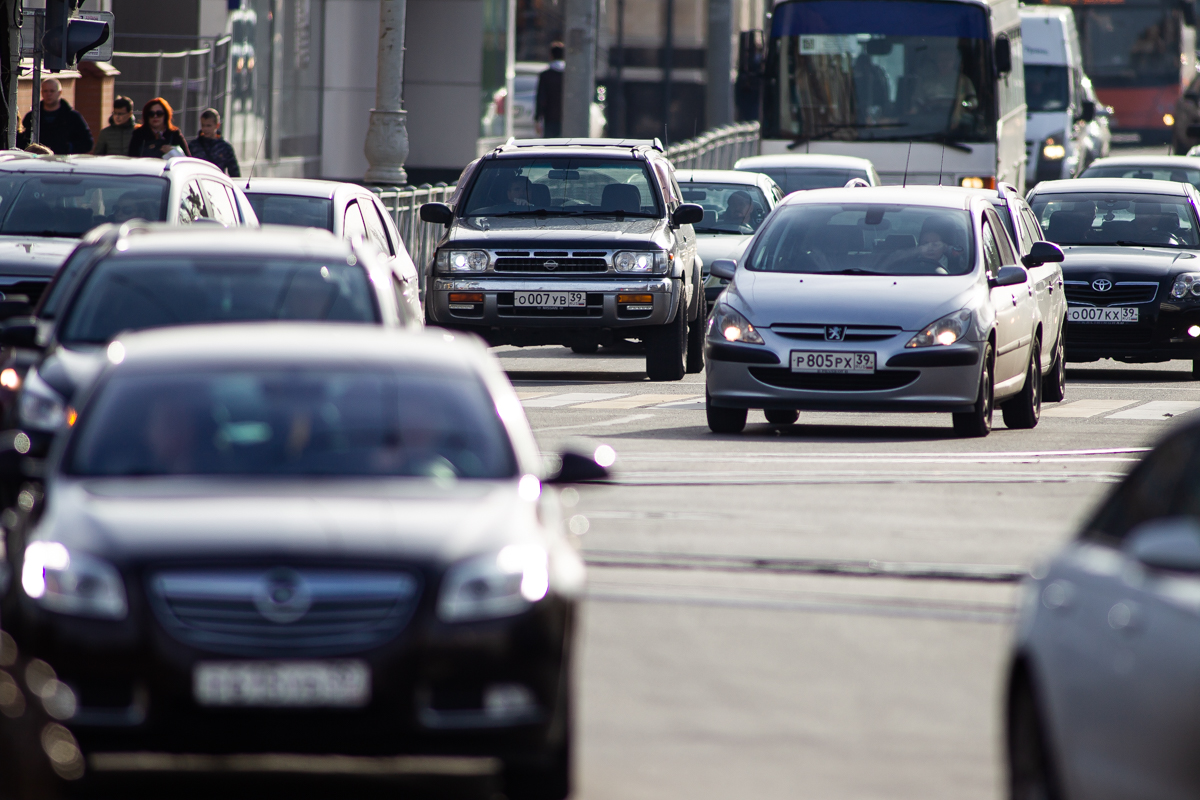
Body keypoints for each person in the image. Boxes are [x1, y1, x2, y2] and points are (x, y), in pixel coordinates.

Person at [16, 78, 93, 154]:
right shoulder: (32, 117)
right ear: (41, 92)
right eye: (45, 91)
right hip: (38, 161)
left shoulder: (73, 117)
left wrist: (67, 148)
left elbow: (87, 143)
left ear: (59, 92)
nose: (49, 94)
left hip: (63, 161)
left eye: (52, 91)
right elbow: (22, 140)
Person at [188, 108, 241, 177]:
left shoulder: (225, 148)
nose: (205, 129)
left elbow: (235, 174)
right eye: (203, 125)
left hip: (217, 184)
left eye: (209, 126)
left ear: (217, 125)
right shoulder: (193, 146)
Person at [535, 42, 565, 138]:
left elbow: (541, 98)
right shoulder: (569, 75)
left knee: (550, 146)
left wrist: (537, 118)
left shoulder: (546, 75)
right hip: (567, 117)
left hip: (550, 118)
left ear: (551, 55)